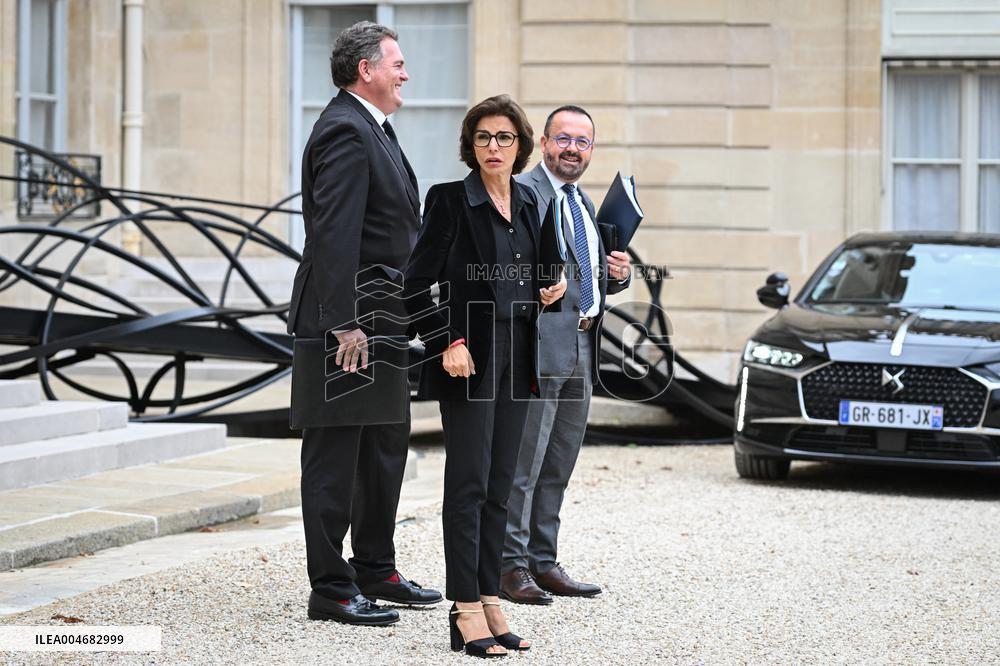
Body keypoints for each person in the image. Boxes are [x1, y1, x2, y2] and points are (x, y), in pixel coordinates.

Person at [287, 21, 441, 627]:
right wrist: (343, 323)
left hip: (386, 319)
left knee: (383, 452)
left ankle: (376, 569)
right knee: (335, 460)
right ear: (365, 70)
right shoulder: (345, 132)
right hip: (347, 326)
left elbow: (396, 235)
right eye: (397, 63)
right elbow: (334, 234)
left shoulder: (374, 128)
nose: (405, 73)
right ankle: (330, 587)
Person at [403, 95, 566, 657]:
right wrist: (446, 338)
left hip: (518, 356)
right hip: (468, 356)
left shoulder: (529, 201)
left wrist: (554, 287)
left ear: (521, 146)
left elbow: (548, 270)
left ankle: (491, 601)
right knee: (469, 486)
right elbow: (413, 284)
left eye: (504, 138)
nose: (494, 148)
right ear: (470, 146)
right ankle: (464, 609)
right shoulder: (449, 201)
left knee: (500, 487)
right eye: (483, 138)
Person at [499, 105, 632, 604]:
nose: (573, 149)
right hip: (536, 347)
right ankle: (509, 568)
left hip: (582, 344)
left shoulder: (581, 201)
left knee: (559, 462)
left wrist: (615, 275)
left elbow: (587, 280)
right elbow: (500, 269)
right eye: (564, 139)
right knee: (524, 463)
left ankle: (543, 561)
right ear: (545, 143)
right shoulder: (523, 195)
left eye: (583, 142)